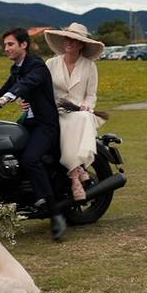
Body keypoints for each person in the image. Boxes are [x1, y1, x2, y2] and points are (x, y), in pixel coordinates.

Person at [0, 28, 65, 240]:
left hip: (45, 125)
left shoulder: (36, 66)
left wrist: (4, 100)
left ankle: (55, 212)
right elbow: (6, 88)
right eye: (5, 46)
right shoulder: (16, 68)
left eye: (10, 44)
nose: (6, 49)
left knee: (30, 159)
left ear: (23, 45)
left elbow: (23, 85)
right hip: (28, 123)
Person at [43, 23, 105, 201]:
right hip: (57, 111)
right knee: (65, 123)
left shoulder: (89, 66)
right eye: (67, 38)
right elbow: (42, 89)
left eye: (74, 40)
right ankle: (78, 170)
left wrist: (86, 105)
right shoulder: (51, 64)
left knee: (84, 117)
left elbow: (91, 95)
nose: (68, 42)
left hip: (79, 112)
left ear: (81, 44)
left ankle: (74, 178)